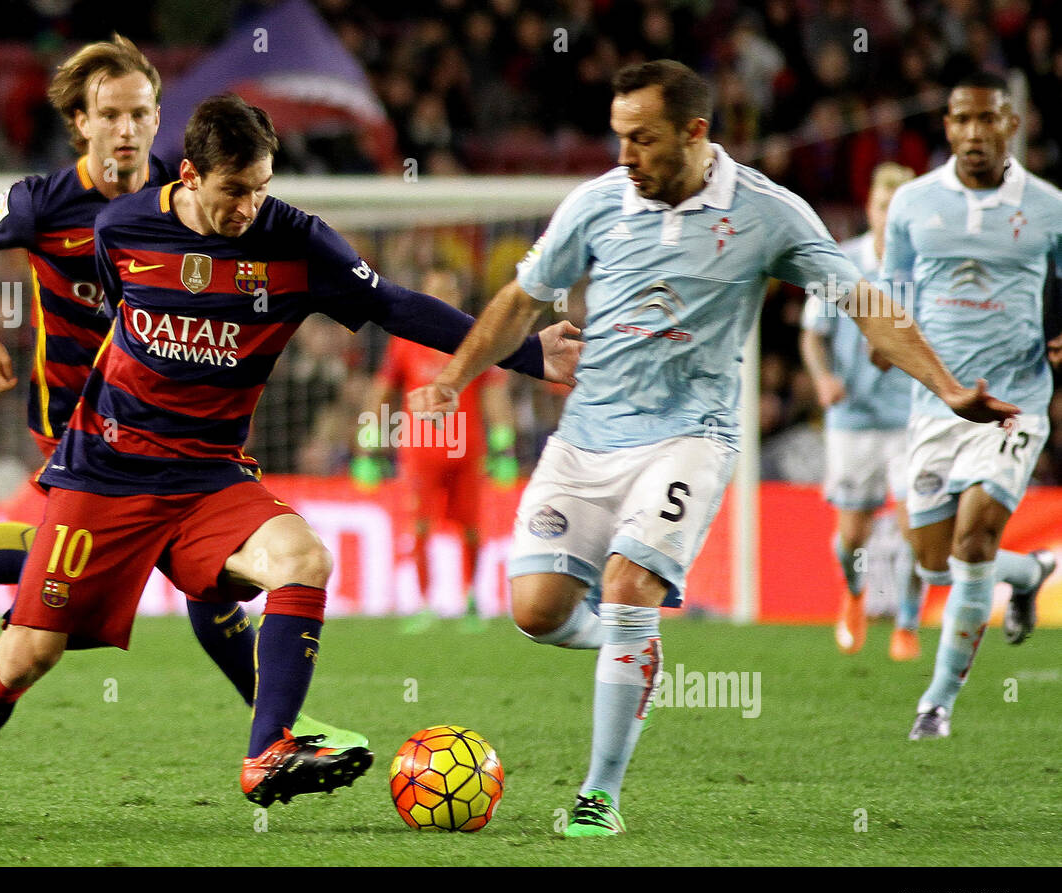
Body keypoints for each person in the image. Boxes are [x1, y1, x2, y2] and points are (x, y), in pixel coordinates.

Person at [0, 92, 582, 827]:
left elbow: (397, 306)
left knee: (305, 560)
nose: (249, 207)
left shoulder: (297, 242)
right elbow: (115, 315)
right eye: (233, 191)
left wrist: (524, 352)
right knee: (28, 654)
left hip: (208, 475)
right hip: (105, 472)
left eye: (261, 187)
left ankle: (269, 751)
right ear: (189, 175)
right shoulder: (122, 225)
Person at [409, 59, 1014, 837]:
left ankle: (599, 795)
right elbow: (520, 300)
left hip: (690, 439)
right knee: (535, 611)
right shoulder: (597, 204)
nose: (625, 155)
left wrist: (949, 385)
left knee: (629, 590)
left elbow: (866, 304)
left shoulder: (769, 213)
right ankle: (635, 655)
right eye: (620, 137)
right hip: (587, 438)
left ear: (696, 133)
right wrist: (454, 379)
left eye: (643, 139)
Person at [0, 34, 364, 756]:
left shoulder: (183, 198)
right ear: (81, 124)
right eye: (111, 114)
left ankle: (277, 730)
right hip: (77, 421)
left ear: (160, 121)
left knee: (169, 571)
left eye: (141, 113)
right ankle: (279, 729)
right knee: (133, 569)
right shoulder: (44, 201)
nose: (127, 129)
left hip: (164, 418)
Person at [881, 72, 1062, 741]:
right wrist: (878, 336)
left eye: (988, 120)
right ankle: (1030, 573)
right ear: (948, 126)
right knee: (936, 562)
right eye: (961, 120)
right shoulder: (912, 203)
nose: (974, 133)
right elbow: (888, 287)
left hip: (1016, 399)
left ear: (1010, 125)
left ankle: (937, 703)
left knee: (975, 537)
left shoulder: (1048, 206)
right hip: (936, 405)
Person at [800, 162, 925, 661]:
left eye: (898, 209)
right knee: (853, 535)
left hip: (911, 420)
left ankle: (908, 624)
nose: (887, 216)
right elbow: (813, 335)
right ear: (869, 208)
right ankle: (854, 593)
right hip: (852, 419)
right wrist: (823, 378)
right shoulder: (841, 266)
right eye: (881, 206)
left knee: (919, 526)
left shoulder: (923, 271)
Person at [353, 268, 517, 632]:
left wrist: (503, 447)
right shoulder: (404, 342)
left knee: (472, 529)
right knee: (419, 527)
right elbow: (381, 393)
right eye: (433, 293)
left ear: (459, 298)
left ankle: (472, 598)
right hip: (419, 452)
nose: (441, 299)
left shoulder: (477, 339)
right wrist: (367, 447)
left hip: (468, 453)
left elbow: (494, 395)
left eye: (448, 292)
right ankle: (425, 603)